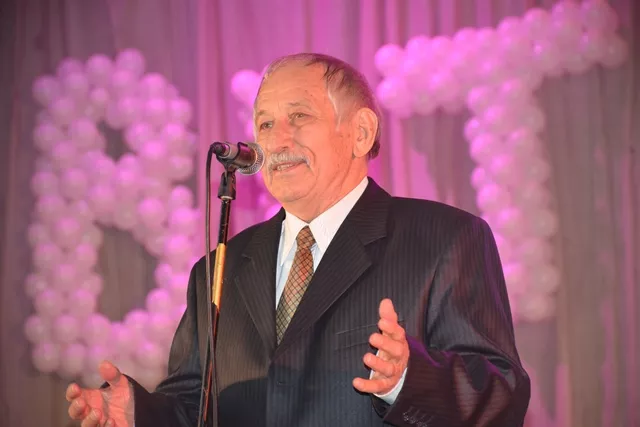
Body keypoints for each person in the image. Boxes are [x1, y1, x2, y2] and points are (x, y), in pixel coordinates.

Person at [66, 52, 531, 427]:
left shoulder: (444, 239)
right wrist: (141, 415)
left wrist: (407, 379)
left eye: (299, 116)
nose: (277, 141)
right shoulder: (221, 266)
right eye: (265, 124)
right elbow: (194, 406)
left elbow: (501, 395)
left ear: (361, 133)